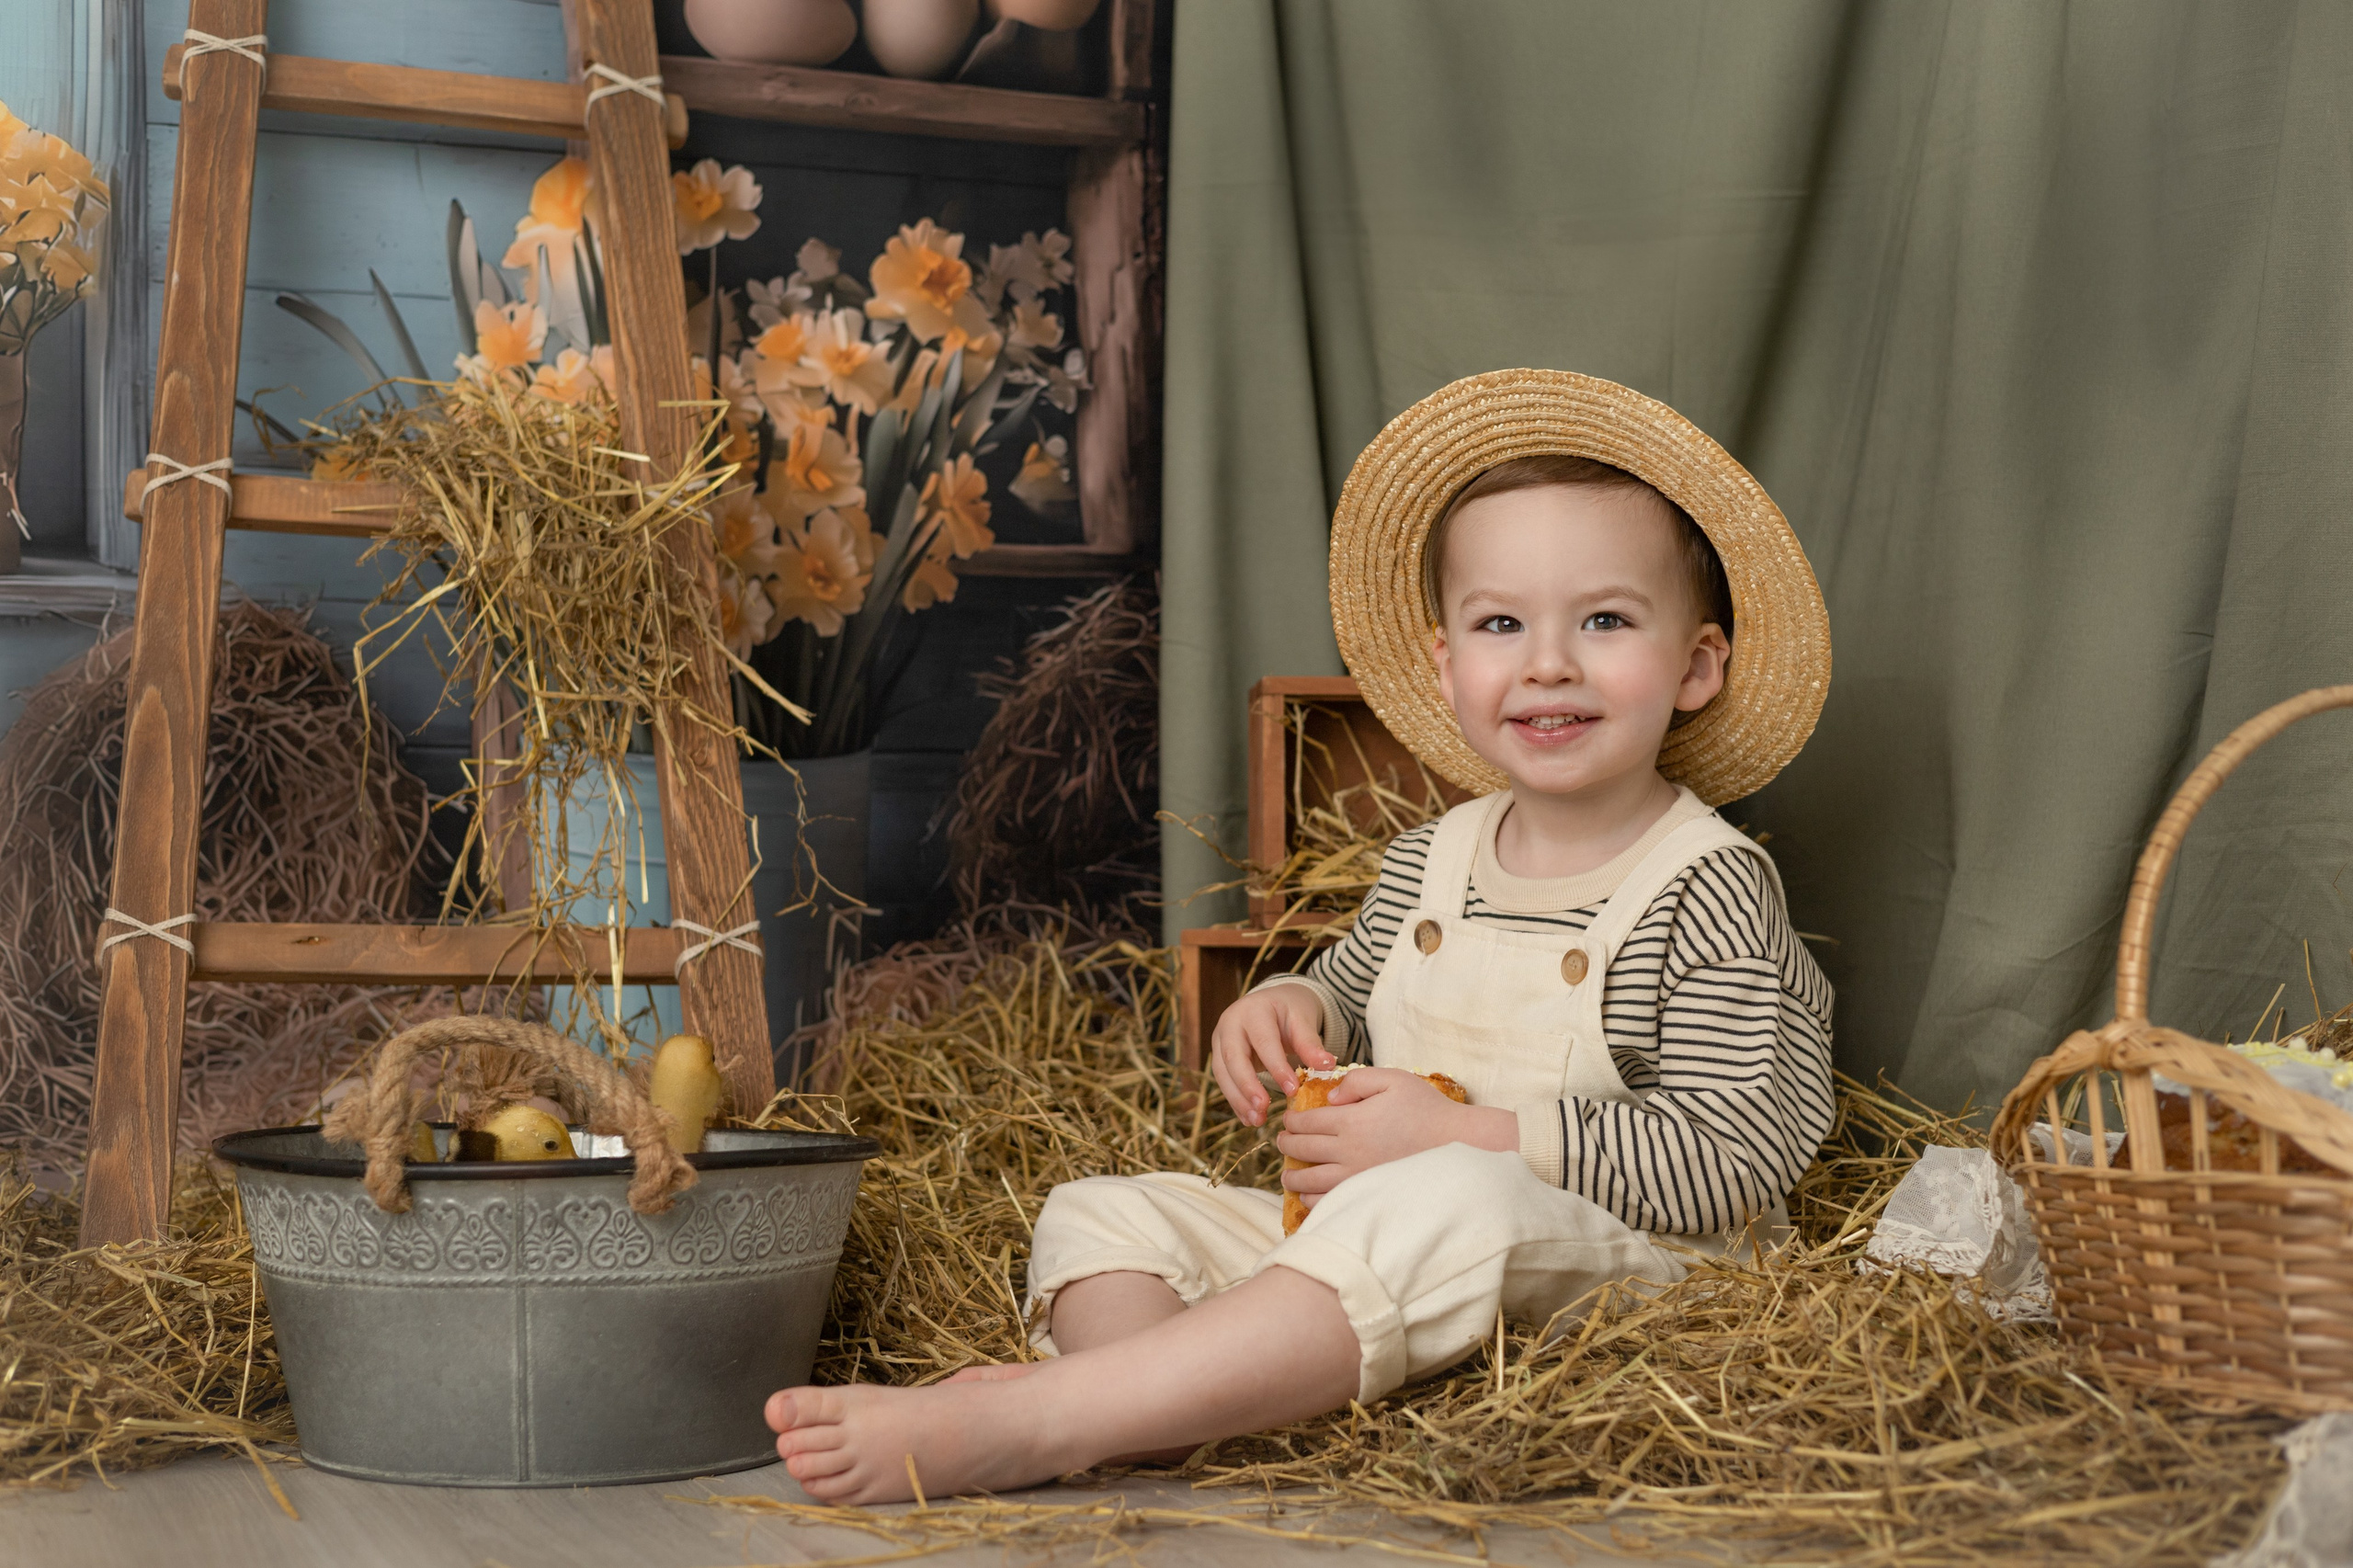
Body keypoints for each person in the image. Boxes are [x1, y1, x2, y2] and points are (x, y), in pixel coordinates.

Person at [765, 369, 1836, 1503]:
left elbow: (1733, 1156)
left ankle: (1047, 1417)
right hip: (1388, 1230)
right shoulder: (1433, 858)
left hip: (1623, 1267)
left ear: (1696, 666)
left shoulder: (1703, 885)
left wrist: (1465, 1136)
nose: (1547, 662)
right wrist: (1294, 1005)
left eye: (1605, 620)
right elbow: (1351, 986)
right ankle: (1155, 1407)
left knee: (1454, 1199)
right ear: (1447, 665)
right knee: (1103, 1209)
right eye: (1500, 623)